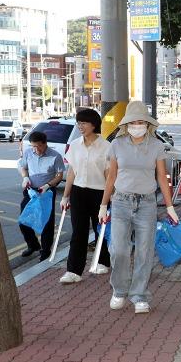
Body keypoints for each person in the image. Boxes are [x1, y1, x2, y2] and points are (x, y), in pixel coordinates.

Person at [99, 101, 179, 314]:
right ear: (126, 124)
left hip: (146, 203)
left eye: (141, 122)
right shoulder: (117, 144)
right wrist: (103, 204)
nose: (137, 125)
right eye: (133, 122)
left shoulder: (156, 146)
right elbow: (111, 176)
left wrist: (170, 206)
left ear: (147, 124)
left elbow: (161, 176)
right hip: (121, 202)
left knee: (144, 251)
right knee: (119, 250)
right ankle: (119, 291)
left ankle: (139, 295)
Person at [58, 109, 111, 284]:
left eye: (84, 123)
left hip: (99, 193)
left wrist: (108, 200)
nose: (80, 126)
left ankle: (103, 261)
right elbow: (71, 171)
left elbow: (109, 175)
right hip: (78, 192)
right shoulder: (74, 145)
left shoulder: (106, 146)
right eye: (78, 123)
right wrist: (65, 196)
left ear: (93, 125)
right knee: (78, 232)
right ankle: (73, 270)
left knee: (100, 229)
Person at [18, 131, 65, 261]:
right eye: (33, 146)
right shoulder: (28, 153)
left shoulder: (55, 156)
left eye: (38, 146)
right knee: (24, 219)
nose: (36, 149)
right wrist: (25, 178)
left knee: (46, 222)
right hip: (30, 190)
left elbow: (59, 175)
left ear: (45, 144)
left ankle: (45, 250)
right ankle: (33, 245)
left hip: (46, 191)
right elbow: (23, 167)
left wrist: (48, 185)